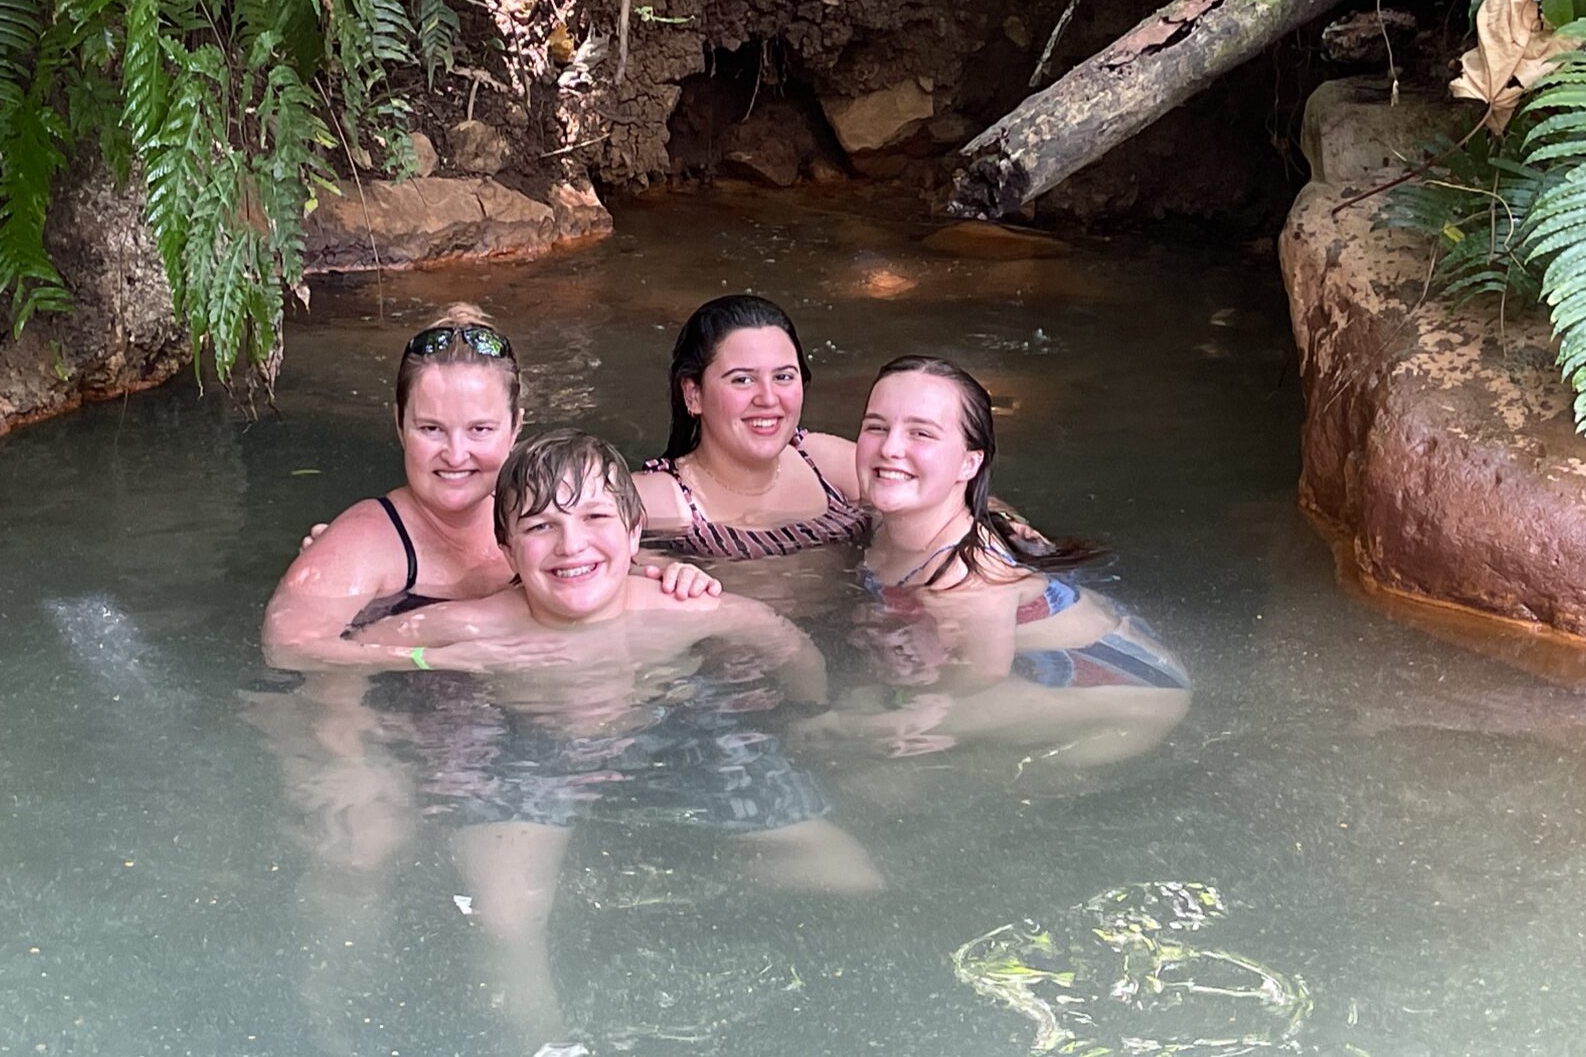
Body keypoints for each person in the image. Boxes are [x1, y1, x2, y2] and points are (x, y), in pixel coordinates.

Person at [373, 430, 882, 1045]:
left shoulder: (678, 610)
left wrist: (809, 717)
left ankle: (696, 867)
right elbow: (341, 653)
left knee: (848, 876)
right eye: (539, 527)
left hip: (670, 727)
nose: (572, 544)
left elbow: (784, 643)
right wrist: (399, 698)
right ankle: (548, 1039)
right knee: (507, 921)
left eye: (595, 517)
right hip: (529, 748)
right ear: (506, 549)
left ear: (635, 531)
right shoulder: (472, 624)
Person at [262, 304, 716, 673]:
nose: (456, 454)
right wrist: (431, 660)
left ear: (515, 427)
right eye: (431, 429)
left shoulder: (540, 519)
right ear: (400, 426)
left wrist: (679, 575)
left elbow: (610, 566)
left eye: (480, 429)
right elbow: (289, 647)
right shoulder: (363, 543)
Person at [818, 355, 1190, 767]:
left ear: (969, 463)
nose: (890, 448)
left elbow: (983, 673)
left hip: (1130, 691)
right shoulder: (901, 518)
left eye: (921, 433)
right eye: (876, 427)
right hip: (1068, 645)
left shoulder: (967, 579)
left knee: (863, 731)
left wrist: (897, 700)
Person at [635, 294, 870, 560]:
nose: (768, 398)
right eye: (743, 379)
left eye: (783, 377)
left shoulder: (829, 465)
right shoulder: (657, 502)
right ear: (694, 395)